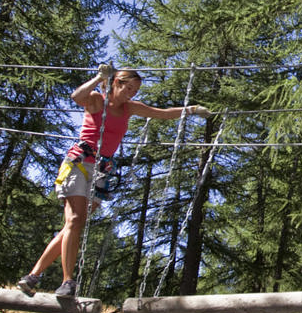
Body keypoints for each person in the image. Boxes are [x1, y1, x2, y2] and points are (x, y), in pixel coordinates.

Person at [18, 64, 210, 298]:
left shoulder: (130, 108)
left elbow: (162, 113)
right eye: (129, 87)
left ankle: (33, 275)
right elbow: (77, 96)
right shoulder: (97, 100)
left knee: (74, 226)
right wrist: (100, 77)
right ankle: (68, 281)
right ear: (116, 83)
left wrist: (192, 110)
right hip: (79, 163)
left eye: (135, 90)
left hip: (102, 170)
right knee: (75, 220)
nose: (132, 93)